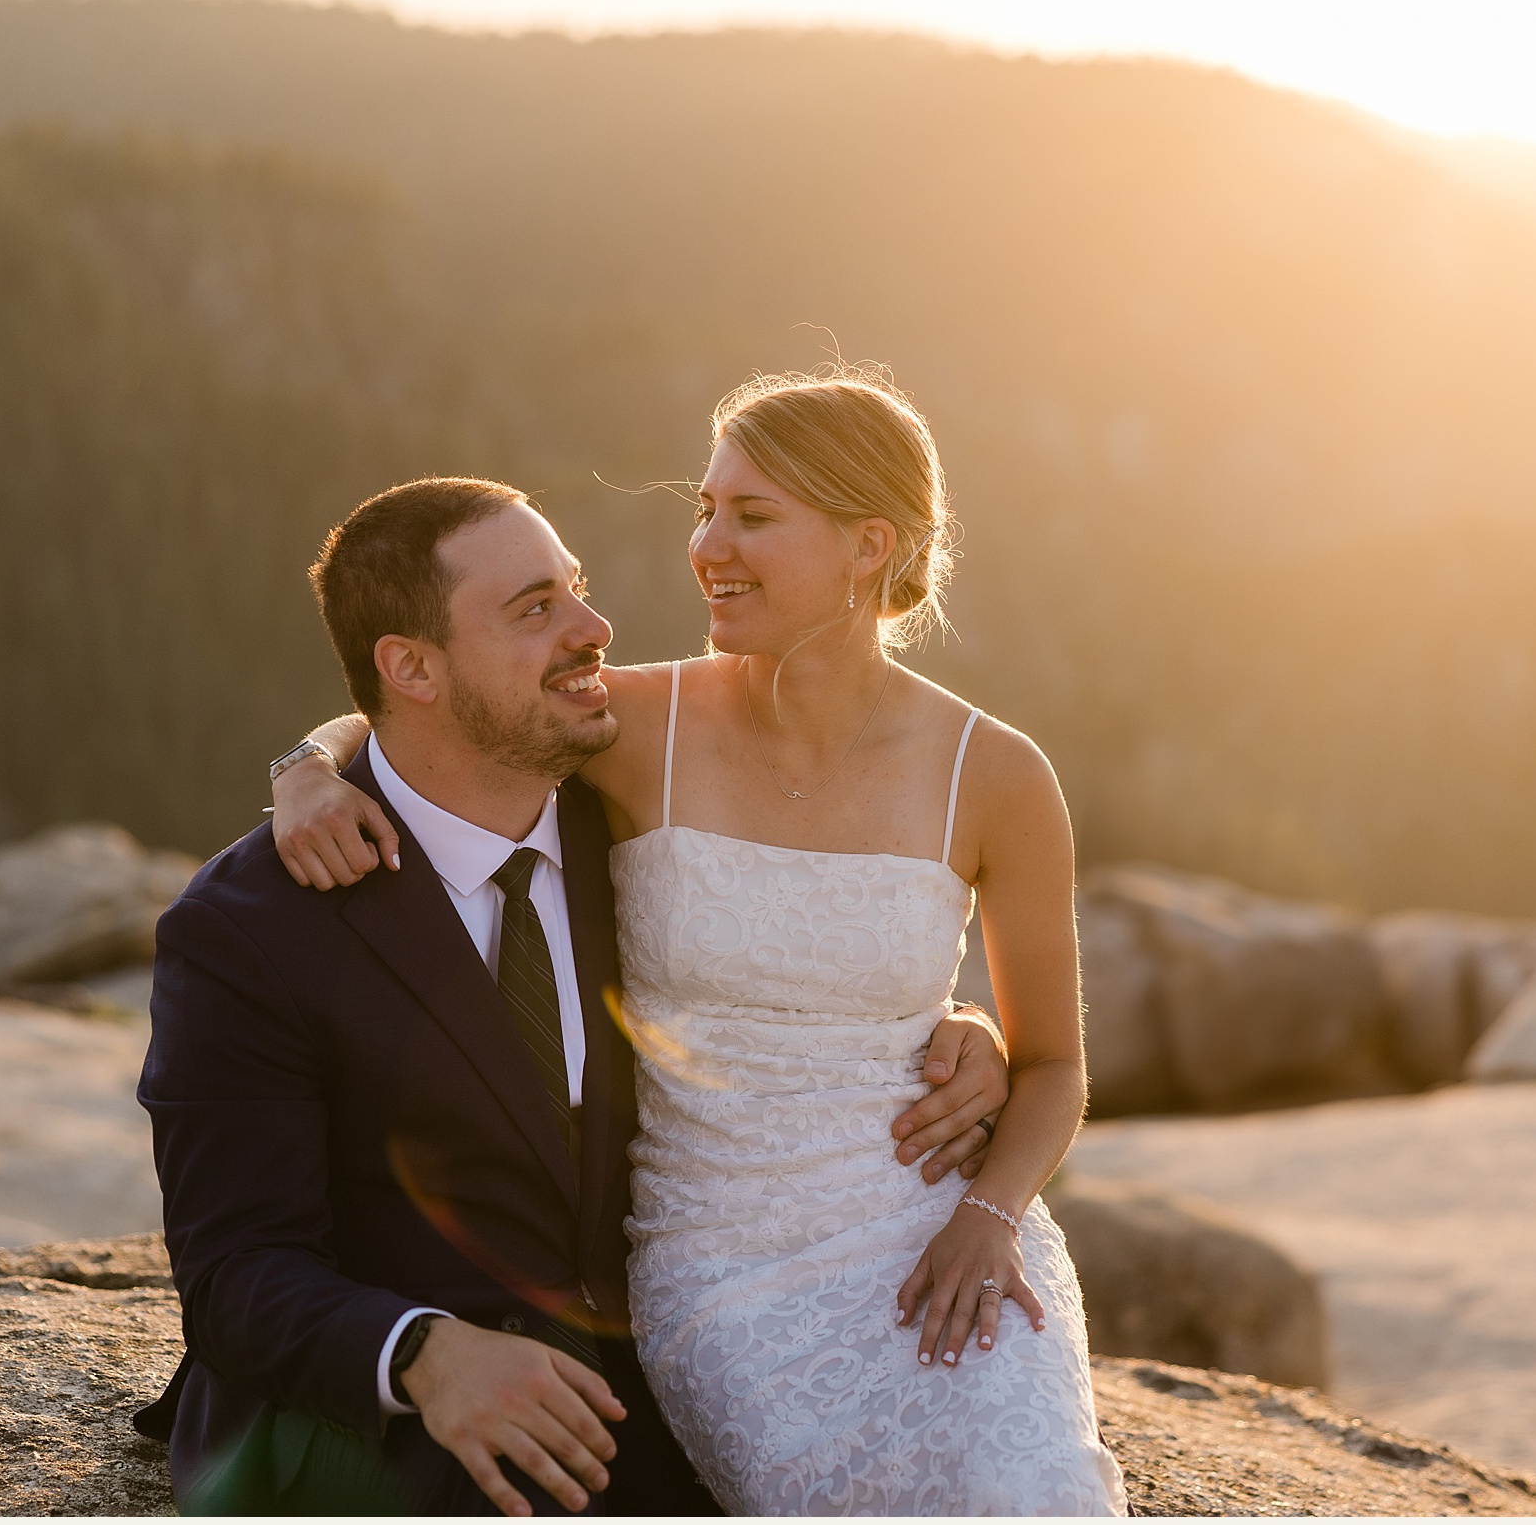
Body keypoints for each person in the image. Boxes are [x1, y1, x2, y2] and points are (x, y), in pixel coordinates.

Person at [271, 365, 1126, 1514]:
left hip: (935, 1225)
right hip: (715, 1262)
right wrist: (306, 772)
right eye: (705, 509)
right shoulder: (636, 725)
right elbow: (431, 703)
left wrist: (989, 1215)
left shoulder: (999, 773)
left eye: (753, 515)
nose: (708, 543)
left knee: (1040, 1489)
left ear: (869, 544)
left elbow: (1057, 1065)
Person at [138, 471, 1014, 1516]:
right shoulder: (248, 926)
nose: (595, 626)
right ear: (410, 666)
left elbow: (788, 981)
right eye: (534, 608)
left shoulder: (643, 842)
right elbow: (235, 1270)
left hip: (656, 1371)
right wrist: (419, 1352)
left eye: (578, 588)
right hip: (380, 1420)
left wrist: (941, 1026)